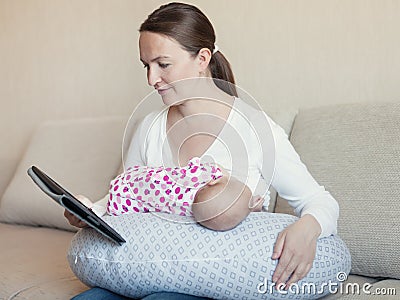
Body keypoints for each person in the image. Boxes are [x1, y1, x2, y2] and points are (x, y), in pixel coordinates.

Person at [65, 2, 340, 299]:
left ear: (202, 58)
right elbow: (127, 196)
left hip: (212, 276)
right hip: (148, 267)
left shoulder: (255, 128)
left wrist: (307, 228)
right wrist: (91, 210)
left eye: (163, 64)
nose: (151, 79)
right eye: (146, 66)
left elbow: (319, 201)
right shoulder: (148, 127)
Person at [107, 156, 264, 231]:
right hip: (124, 202)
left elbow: (206, 166)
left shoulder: (198, 177)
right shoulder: (187, 211)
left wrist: (221, 174)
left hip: (130, 183)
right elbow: (227, 209)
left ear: (212, 181)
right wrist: (250, 208)